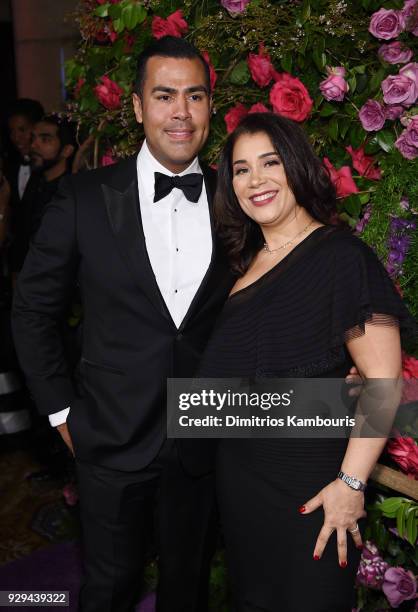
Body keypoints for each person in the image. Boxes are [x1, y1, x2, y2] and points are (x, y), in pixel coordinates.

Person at [12, 36, 233, 612]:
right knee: (109, 587)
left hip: (202, 435)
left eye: (195, 95)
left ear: (211, 106)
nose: (180, 112)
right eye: (164, 96)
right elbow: (33, 309)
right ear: (137, 107)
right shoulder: (84, 198)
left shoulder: (237, 199)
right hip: (108, 434)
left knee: (187, 588)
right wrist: (60, 408)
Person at [198, 112, 415, 611]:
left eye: (270, 162)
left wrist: (351, 484)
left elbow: (383, 381)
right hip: (241, 486)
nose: (257, 181)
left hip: (312, 488)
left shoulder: (341, 256)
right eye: (241, 169)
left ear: (296, 166)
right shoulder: (240, 265)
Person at [11, 114, 77, 274]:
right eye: (33, 138)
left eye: (45, 140)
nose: (34, 145)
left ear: (67, 150)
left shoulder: (70, 193)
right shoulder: (34, 182)